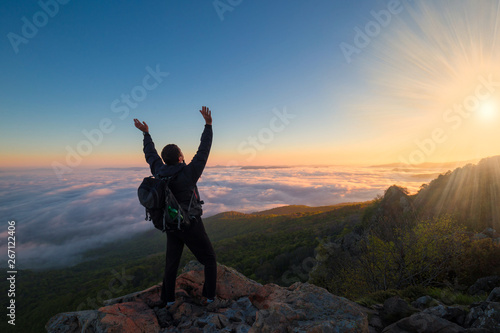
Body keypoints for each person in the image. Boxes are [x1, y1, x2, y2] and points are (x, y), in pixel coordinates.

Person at [133, 106, 221, 309]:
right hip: (190, 224)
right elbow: (203, 151)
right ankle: (209, 298)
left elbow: (150, 155)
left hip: (170, 222)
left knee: (171, 263)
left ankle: (168, 300)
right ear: (180, 157)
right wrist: (208, 125)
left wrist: (146, 134)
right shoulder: (188, 173)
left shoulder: (158, 170)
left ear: (165, 160)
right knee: (209, 259)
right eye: (182, 154)